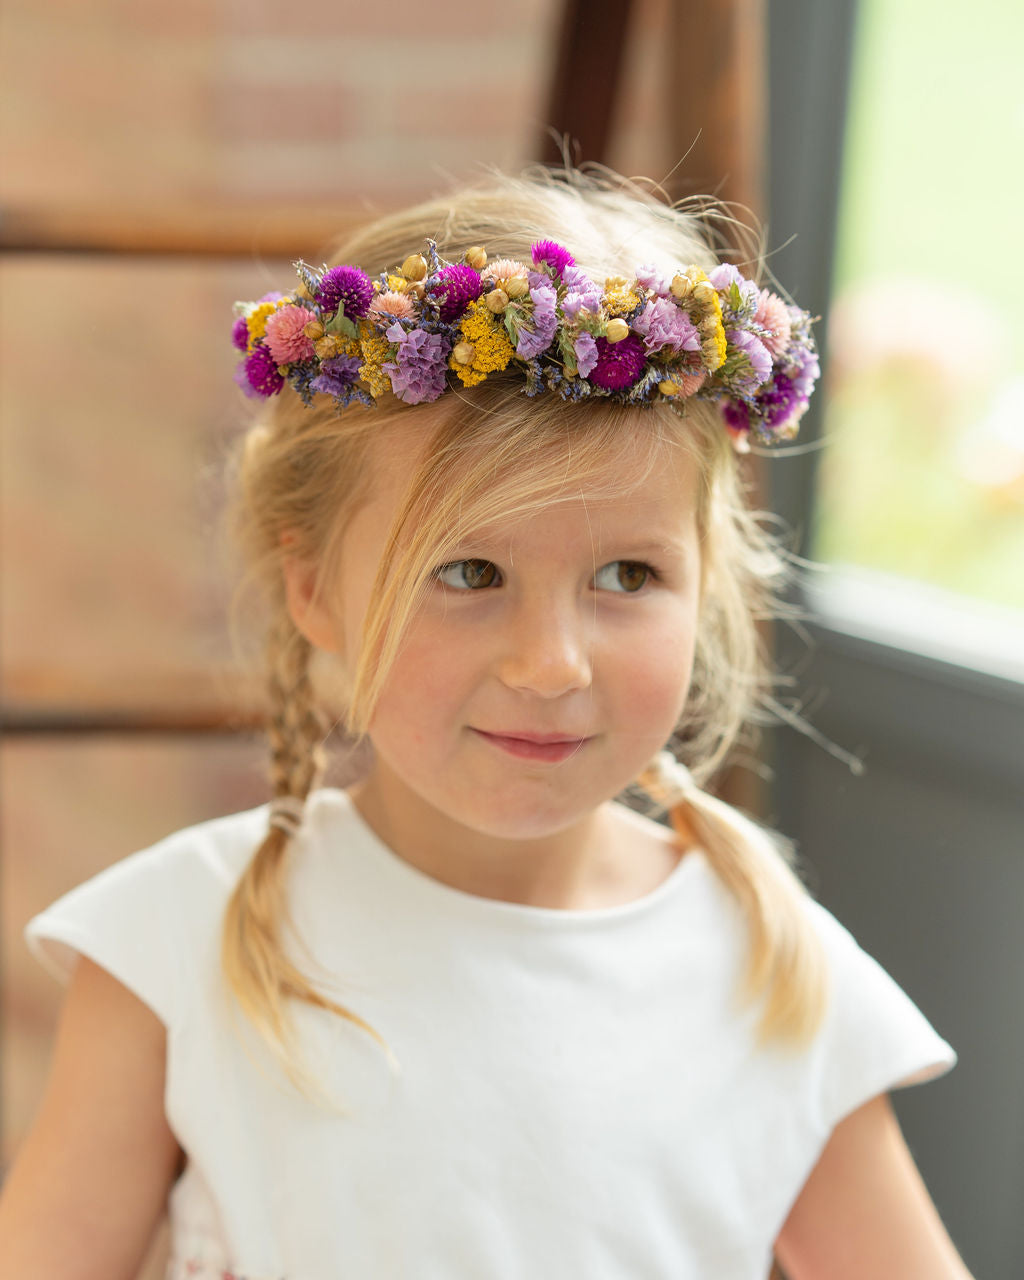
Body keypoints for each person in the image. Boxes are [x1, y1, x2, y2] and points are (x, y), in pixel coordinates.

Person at [0, 167, 973, 1280]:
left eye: (625, 572)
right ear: (314, 586)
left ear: (704, 582)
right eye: (469, 571)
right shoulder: (175, 950)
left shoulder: (774, 971)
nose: (551, 663)